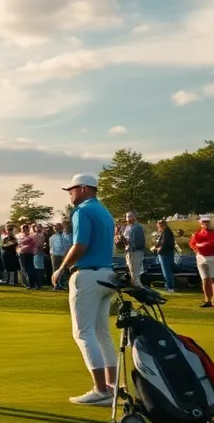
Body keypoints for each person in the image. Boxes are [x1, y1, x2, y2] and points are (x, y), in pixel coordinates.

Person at [51, 174, 117, 406]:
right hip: (107, 274)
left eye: (72, 189)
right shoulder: (105, 211)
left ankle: (101, 390)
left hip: (87, 274)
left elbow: (80, 245)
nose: (70, 193)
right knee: (102, 333)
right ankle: (113, 386)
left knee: (83, 333)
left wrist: (61, 268)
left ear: (85, 189)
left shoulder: (82, 211)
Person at [190, 215, 214, 309]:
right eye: (203, 222)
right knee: (204, 279)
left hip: (212, 256)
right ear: (200, 223)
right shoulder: (197, 233)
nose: (205, 224)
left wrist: (201, 245)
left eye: (207, 222)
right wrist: (197, 249)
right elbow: (192, 244)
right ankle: (207, 300)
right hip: (201, 257)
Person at [120, 212, 146, 285]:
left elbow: (138, 241)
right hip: (128, 251)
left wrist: (128, 242)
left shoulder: (137, 227)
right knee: (131, 271)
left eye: (130, 216)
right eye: (127, 217)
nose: (128, 218)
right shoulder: (126, 227)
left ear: (135, 217)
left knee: (135, 272)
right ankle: (135, 286)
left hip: (135, 251)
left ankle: (138, 288)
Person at [153, 220, 176, 293]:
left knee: (167, 271)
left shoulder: (167, 232)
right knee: (165, 271)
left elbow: (165, 243)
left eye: (159, 225)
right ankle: (167, 285)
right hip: (163, 253)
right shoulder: (163, 232)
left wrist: (159, 249)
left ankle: (170, 287)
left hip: (165, 253)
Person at [49, 222, 72, 290]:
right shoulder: (52, 237)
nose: (57, 230)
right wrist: (52, 254)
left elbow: (69, 244)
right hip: (55, 255)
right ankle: (56, 285)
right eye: (56, 229)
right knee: (55, 270)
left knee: (66, 270)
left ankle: (68, 285)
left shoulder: (67, 236)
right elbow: (51, 246)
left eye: (58, 228)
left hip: (64, 255)